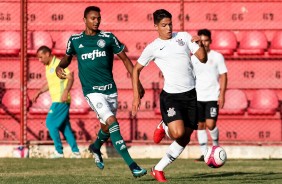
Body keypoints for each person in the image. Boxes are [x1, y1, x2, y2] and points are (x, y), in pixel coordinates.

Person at [55, 6, 147, 178]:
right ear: (85, 20)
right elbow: (67, 57)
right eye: (93, 18)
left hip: (110, 90)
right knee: (112, 121)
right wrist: (60, 66)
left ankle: (95, 146)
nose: (96, 21)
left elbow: (126, 60)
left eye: (98, 18)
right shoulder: (75, 40)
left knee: (106, 126)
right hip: (92, 91)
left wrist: (137, 83)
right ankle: (133, 166)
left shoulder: (108, 38)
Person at [132, 9, 207, 182]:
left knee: (185, 137)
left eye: (170, 24)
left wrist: (199, 44)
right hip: (171, 97)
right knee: (176, 133)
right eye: (164, 25)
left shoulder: (183, 36)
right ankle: (164, 125)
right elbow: (136, 69)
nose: (168, 28)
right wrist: (136, 95)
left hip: (190, 95)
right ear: (156, 26)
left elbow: (202, 58)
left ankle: (158, 169)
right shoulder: (153, 47)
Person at [32, 45, 81, 159]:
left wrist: (66, 92)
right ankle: (76, 152)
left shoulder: (59, 65)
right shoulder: (48, 66)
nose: (40, 60)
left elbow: (70, 77)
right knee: (65, 127)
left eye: (41, 57)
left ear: (48, 54)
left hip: (61, 99)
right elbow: (51, 83)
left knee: (50, 123)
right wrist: (39, 92)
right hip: (57, 99)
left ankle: (58, 151)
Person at [192, 29, 228, 161]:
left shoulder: (217, 56)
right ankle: (204, 153)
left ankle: (216, 146)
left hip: (212, 96)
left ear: (210, 41)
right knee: (200, 125)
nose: (204, 43)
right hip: (197, 96)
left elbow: (223, 75)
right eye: (201, 41)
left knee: (211, 124)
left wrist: (222, 95)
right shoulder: (193, 58)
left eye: (206, 40)